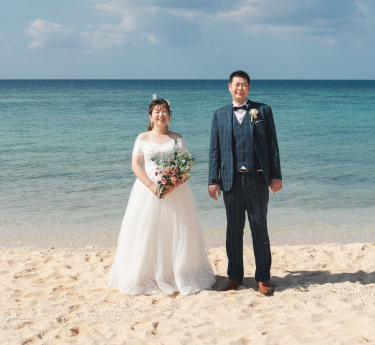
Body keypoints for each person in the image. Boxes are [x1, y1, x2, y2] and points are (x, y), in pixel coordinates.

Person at [108, 97, 215, 295]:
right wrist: (151, 186)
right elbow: (135, 165)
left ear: (169, 115)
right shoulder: (142, 138)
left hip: (175, 191)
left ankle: (178, 272)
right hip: (147, 191)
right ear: (150, 116)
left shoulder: (177, 138)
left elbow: (187, 164)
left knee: (176, 230)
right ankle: (146, 273)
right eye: (157, 112)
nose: (161, 115)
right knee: (146, 231)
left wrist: (174, 183)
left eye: (164, 111)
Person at [208, 70, 283, 296]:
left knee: (259, 227)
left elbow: (272, 146)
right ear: (229, 86)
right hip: (230, 181)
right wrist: (213, 180)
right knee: (233, 230)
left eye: (244, 85)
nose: (240, 88)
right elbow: (215, 150)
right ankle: (234, 276)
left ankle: (263, 278)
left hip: (257, 179)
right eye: (236, 84)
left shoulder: (263, 111)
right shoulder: (219, 115)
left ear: (249, 88)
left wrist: (276, 176)